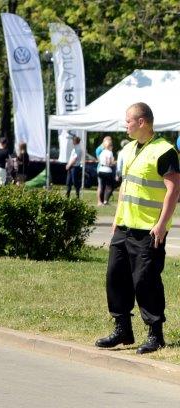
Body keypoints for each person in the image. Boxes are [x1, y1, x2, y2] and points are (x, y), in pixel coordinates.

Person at [95, 102, 180, 355]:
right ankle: (122, 329)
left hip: (149, 230)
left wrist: (161, 225)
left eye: (128, 121)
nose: (125, 125)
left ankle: (156, 334)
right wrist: (116, 218)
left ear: (141, 122)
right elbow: (126, 186)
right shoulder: (130, 148)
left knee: (146, 280)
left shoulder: (165, 151)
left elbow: (174, 189)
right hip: (124, 226)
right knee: (115, 277)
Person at [97, 138, 115, 205]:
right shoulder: (110, 152)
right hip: (108, 170)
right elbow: (111, 163)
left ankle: (100, 201)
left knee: (102, 186)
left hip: (101, 169)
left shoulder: (102, 152)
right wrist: (114, 163)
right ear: (109, 146)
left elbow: (99, 160)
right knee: (109, 187)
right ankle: (105, 200)